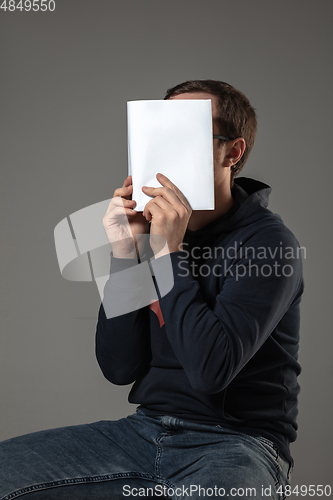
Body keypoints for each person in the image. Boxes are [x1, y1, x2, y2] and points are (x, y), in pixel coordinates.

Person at [0, 80, 303, 500]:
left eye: (184, 136)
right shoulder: (149, 234)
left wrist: (166, 253)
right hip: (143, 432)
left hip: (239, 444)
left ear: (232, 153)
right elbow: (119, 367)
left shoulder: (269, 243)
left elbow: (210, 371)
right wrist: (127, 253)